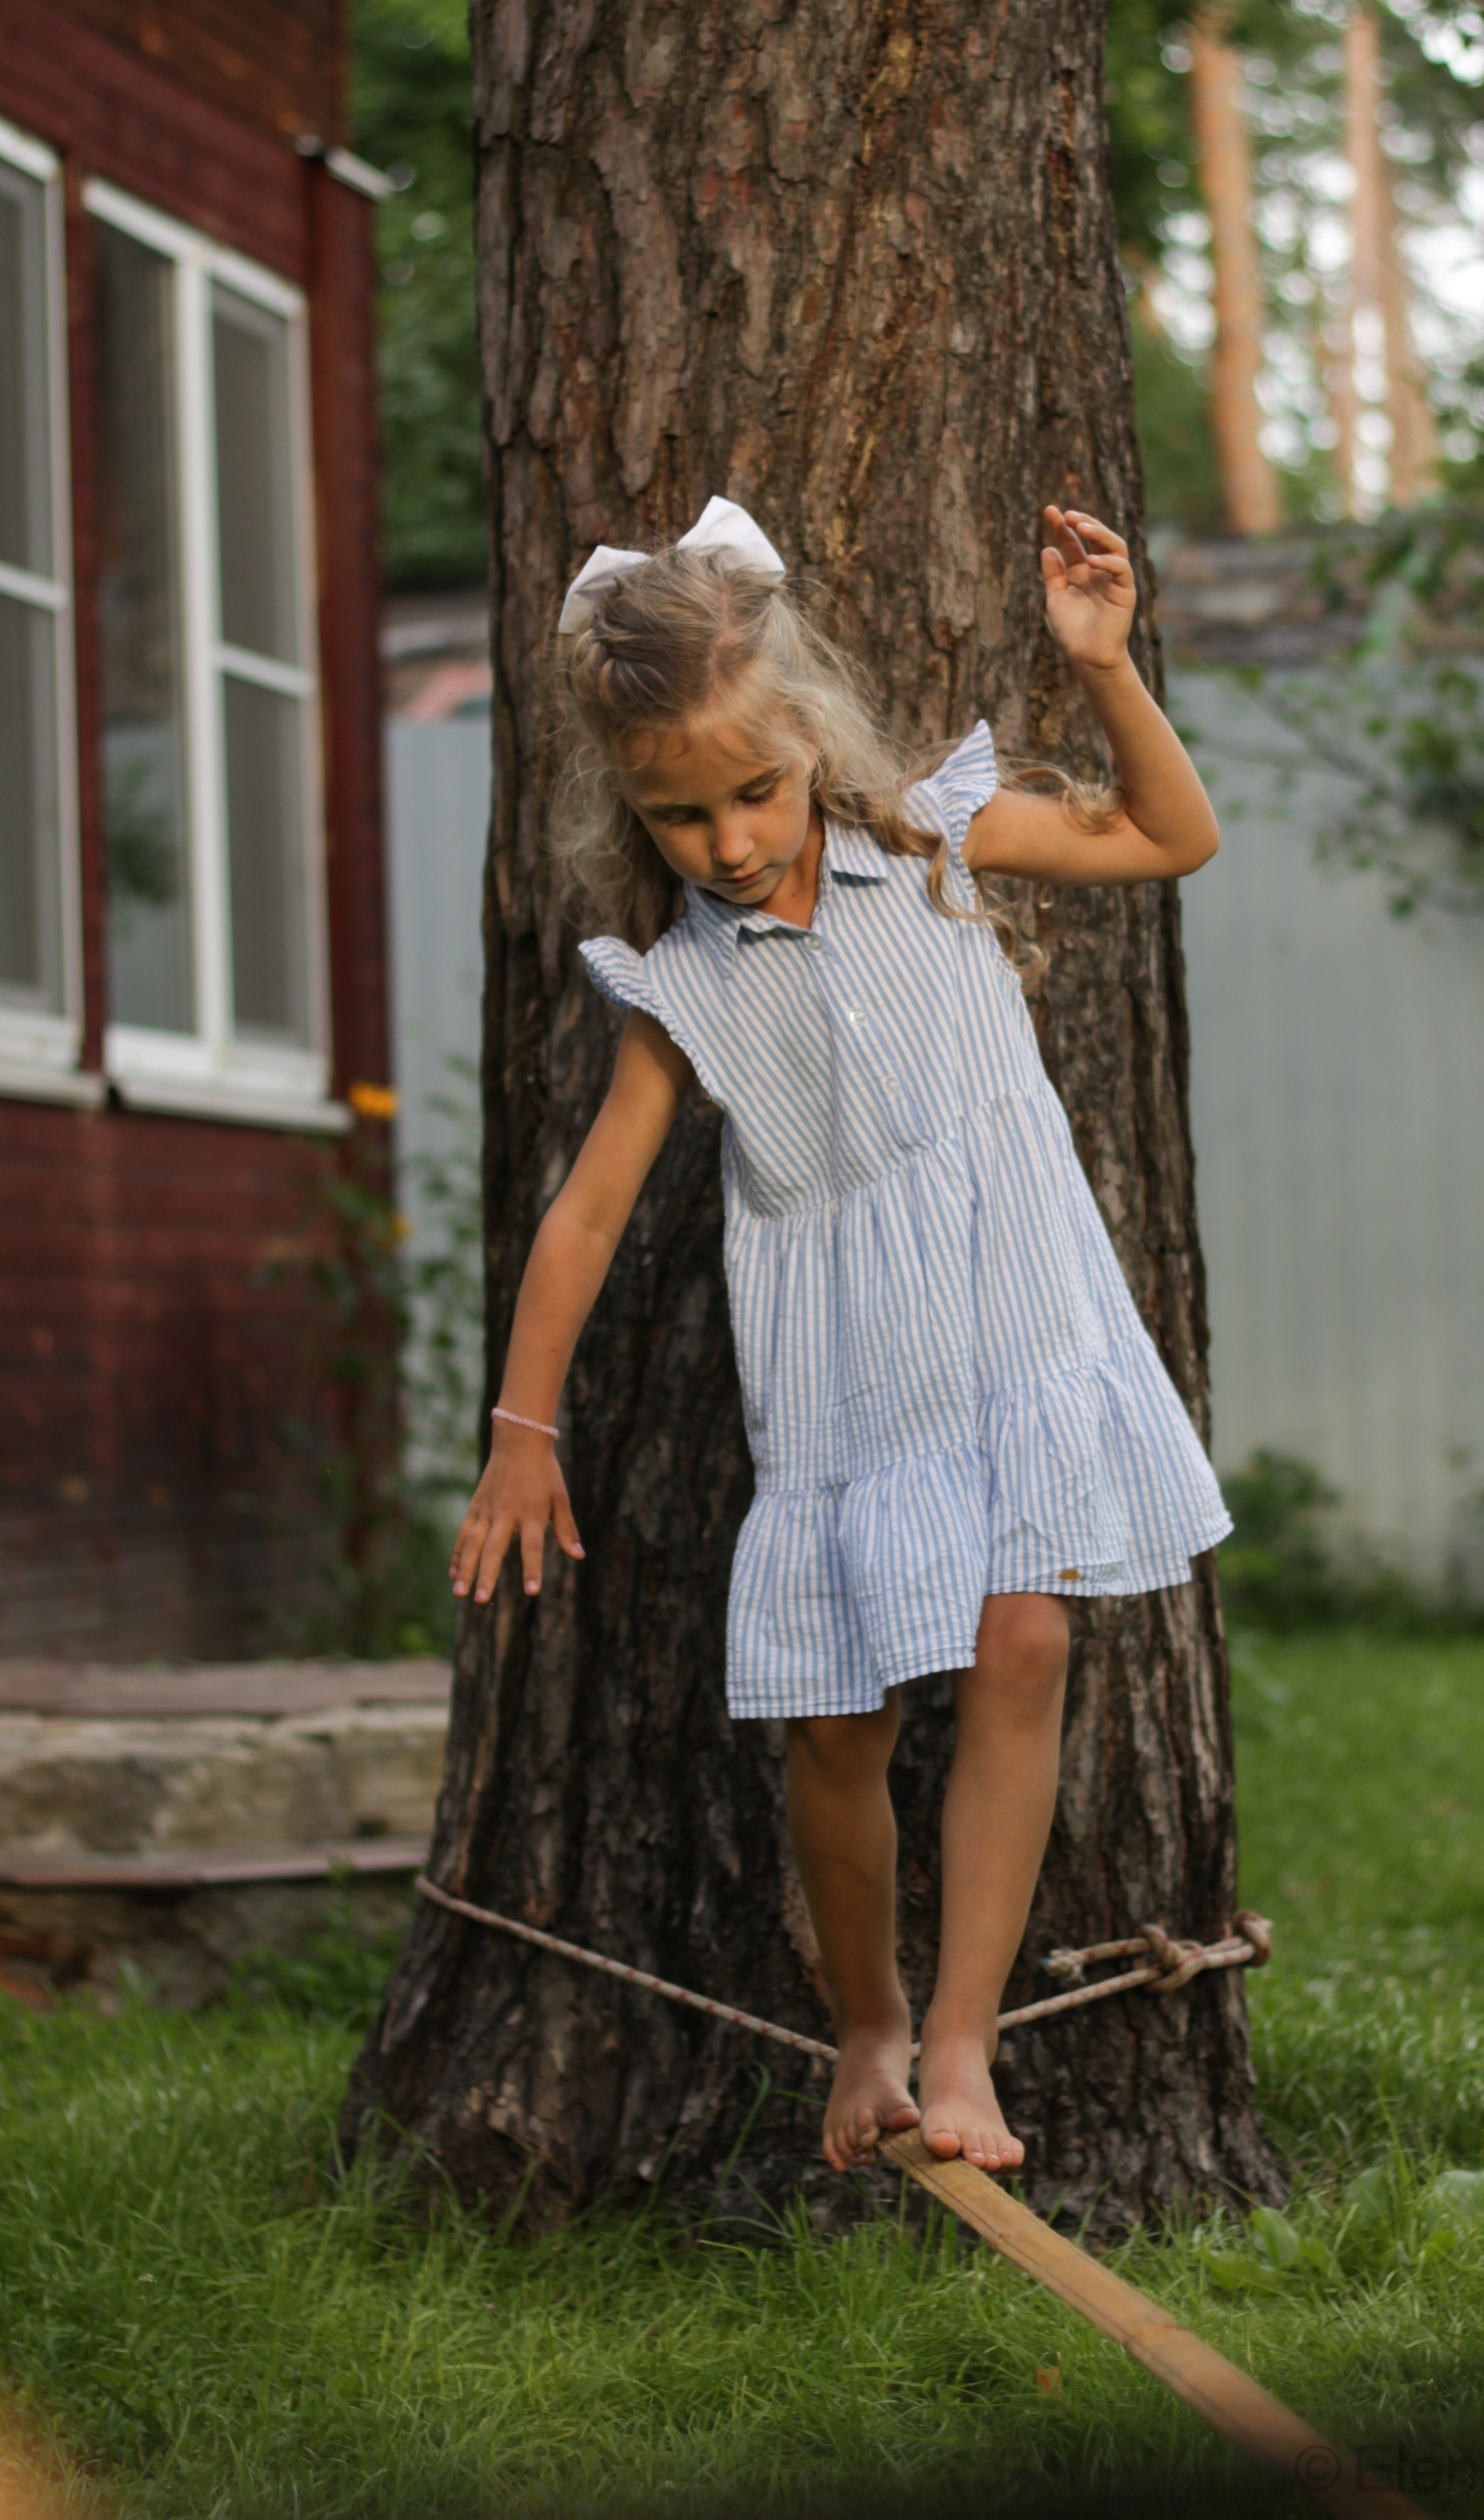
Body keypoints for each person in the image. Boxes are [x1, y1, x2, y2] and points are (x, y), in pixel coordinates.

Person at [451, 495, 1230, 2176]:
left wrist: (1104, 668)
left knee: (1026, 1643)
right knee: (837, 1717)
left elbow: (1173, 840)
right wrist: (521, 1431)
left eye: (753, 790)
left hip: (1014, 1316)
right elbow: (582, 1216)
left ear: (807, 735)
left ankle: (960, 2046)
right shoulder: (682, 990)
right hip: (844, 1374)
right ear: (631, 810)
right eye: (679, 816)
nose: (729, 841)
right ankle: (868, 2020)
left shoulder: (940, 842)